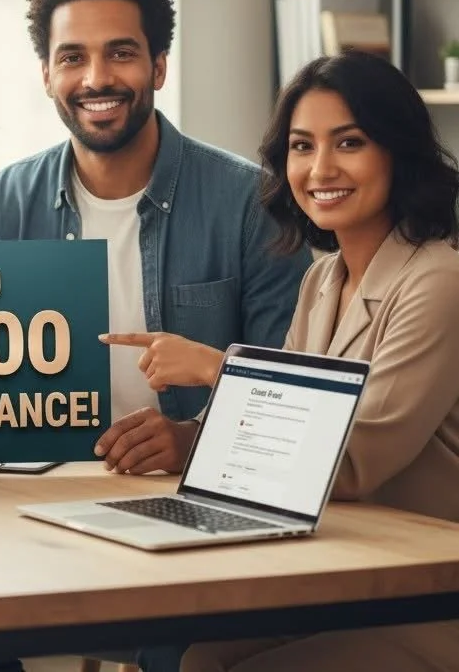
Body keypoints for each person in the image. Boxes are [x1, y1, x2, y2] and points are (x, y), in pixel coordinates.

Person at [120, 51, 459, 671]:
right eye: (302, 147)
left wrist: (213, 367)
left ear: (398, 153)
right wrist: (188, 439)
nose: (320, 168)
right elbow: (274, 431)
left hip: (425, 593)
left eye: (349, 143)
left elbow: (353, 463)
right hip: (344, 567)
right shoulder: (323, 278)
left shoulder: (439, 281)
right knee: (195, 658)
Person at [0, 0, 312, 475]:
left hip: (188, 490)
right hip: (38, 487)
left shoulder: (250, 202)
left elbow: (285, 390)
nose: (96, 78)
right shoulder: (8, 200)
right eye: (72, 57)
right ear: (46, 75)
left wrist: (192, 440)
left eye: (121, 53)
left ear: (158, 67)